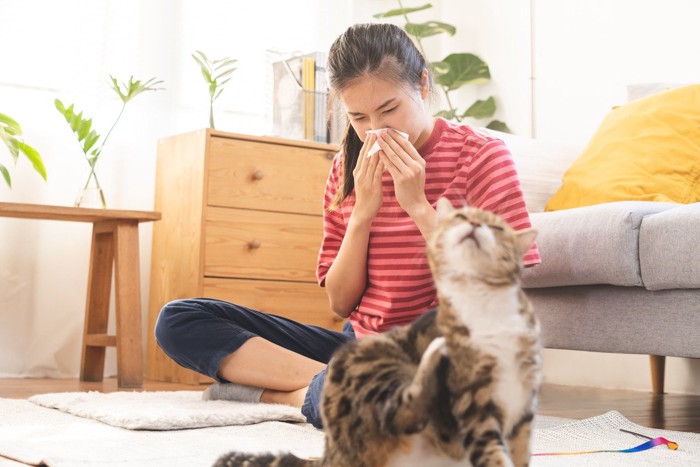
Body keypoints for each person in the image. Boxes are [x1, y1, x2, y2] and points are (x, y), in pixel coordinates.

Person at [154, 22, 540, 429]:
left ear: (423, 86)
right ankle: (332, 388)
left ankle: (298, 394)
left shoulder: (481, 156)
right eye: (359, 116)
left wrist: (419, 207)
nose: (376, 129)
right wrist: (362, 215)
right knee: (179, 320)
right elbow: (341, 304)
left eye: (390, 109)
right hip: (361, 348)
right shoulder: (347, 169)